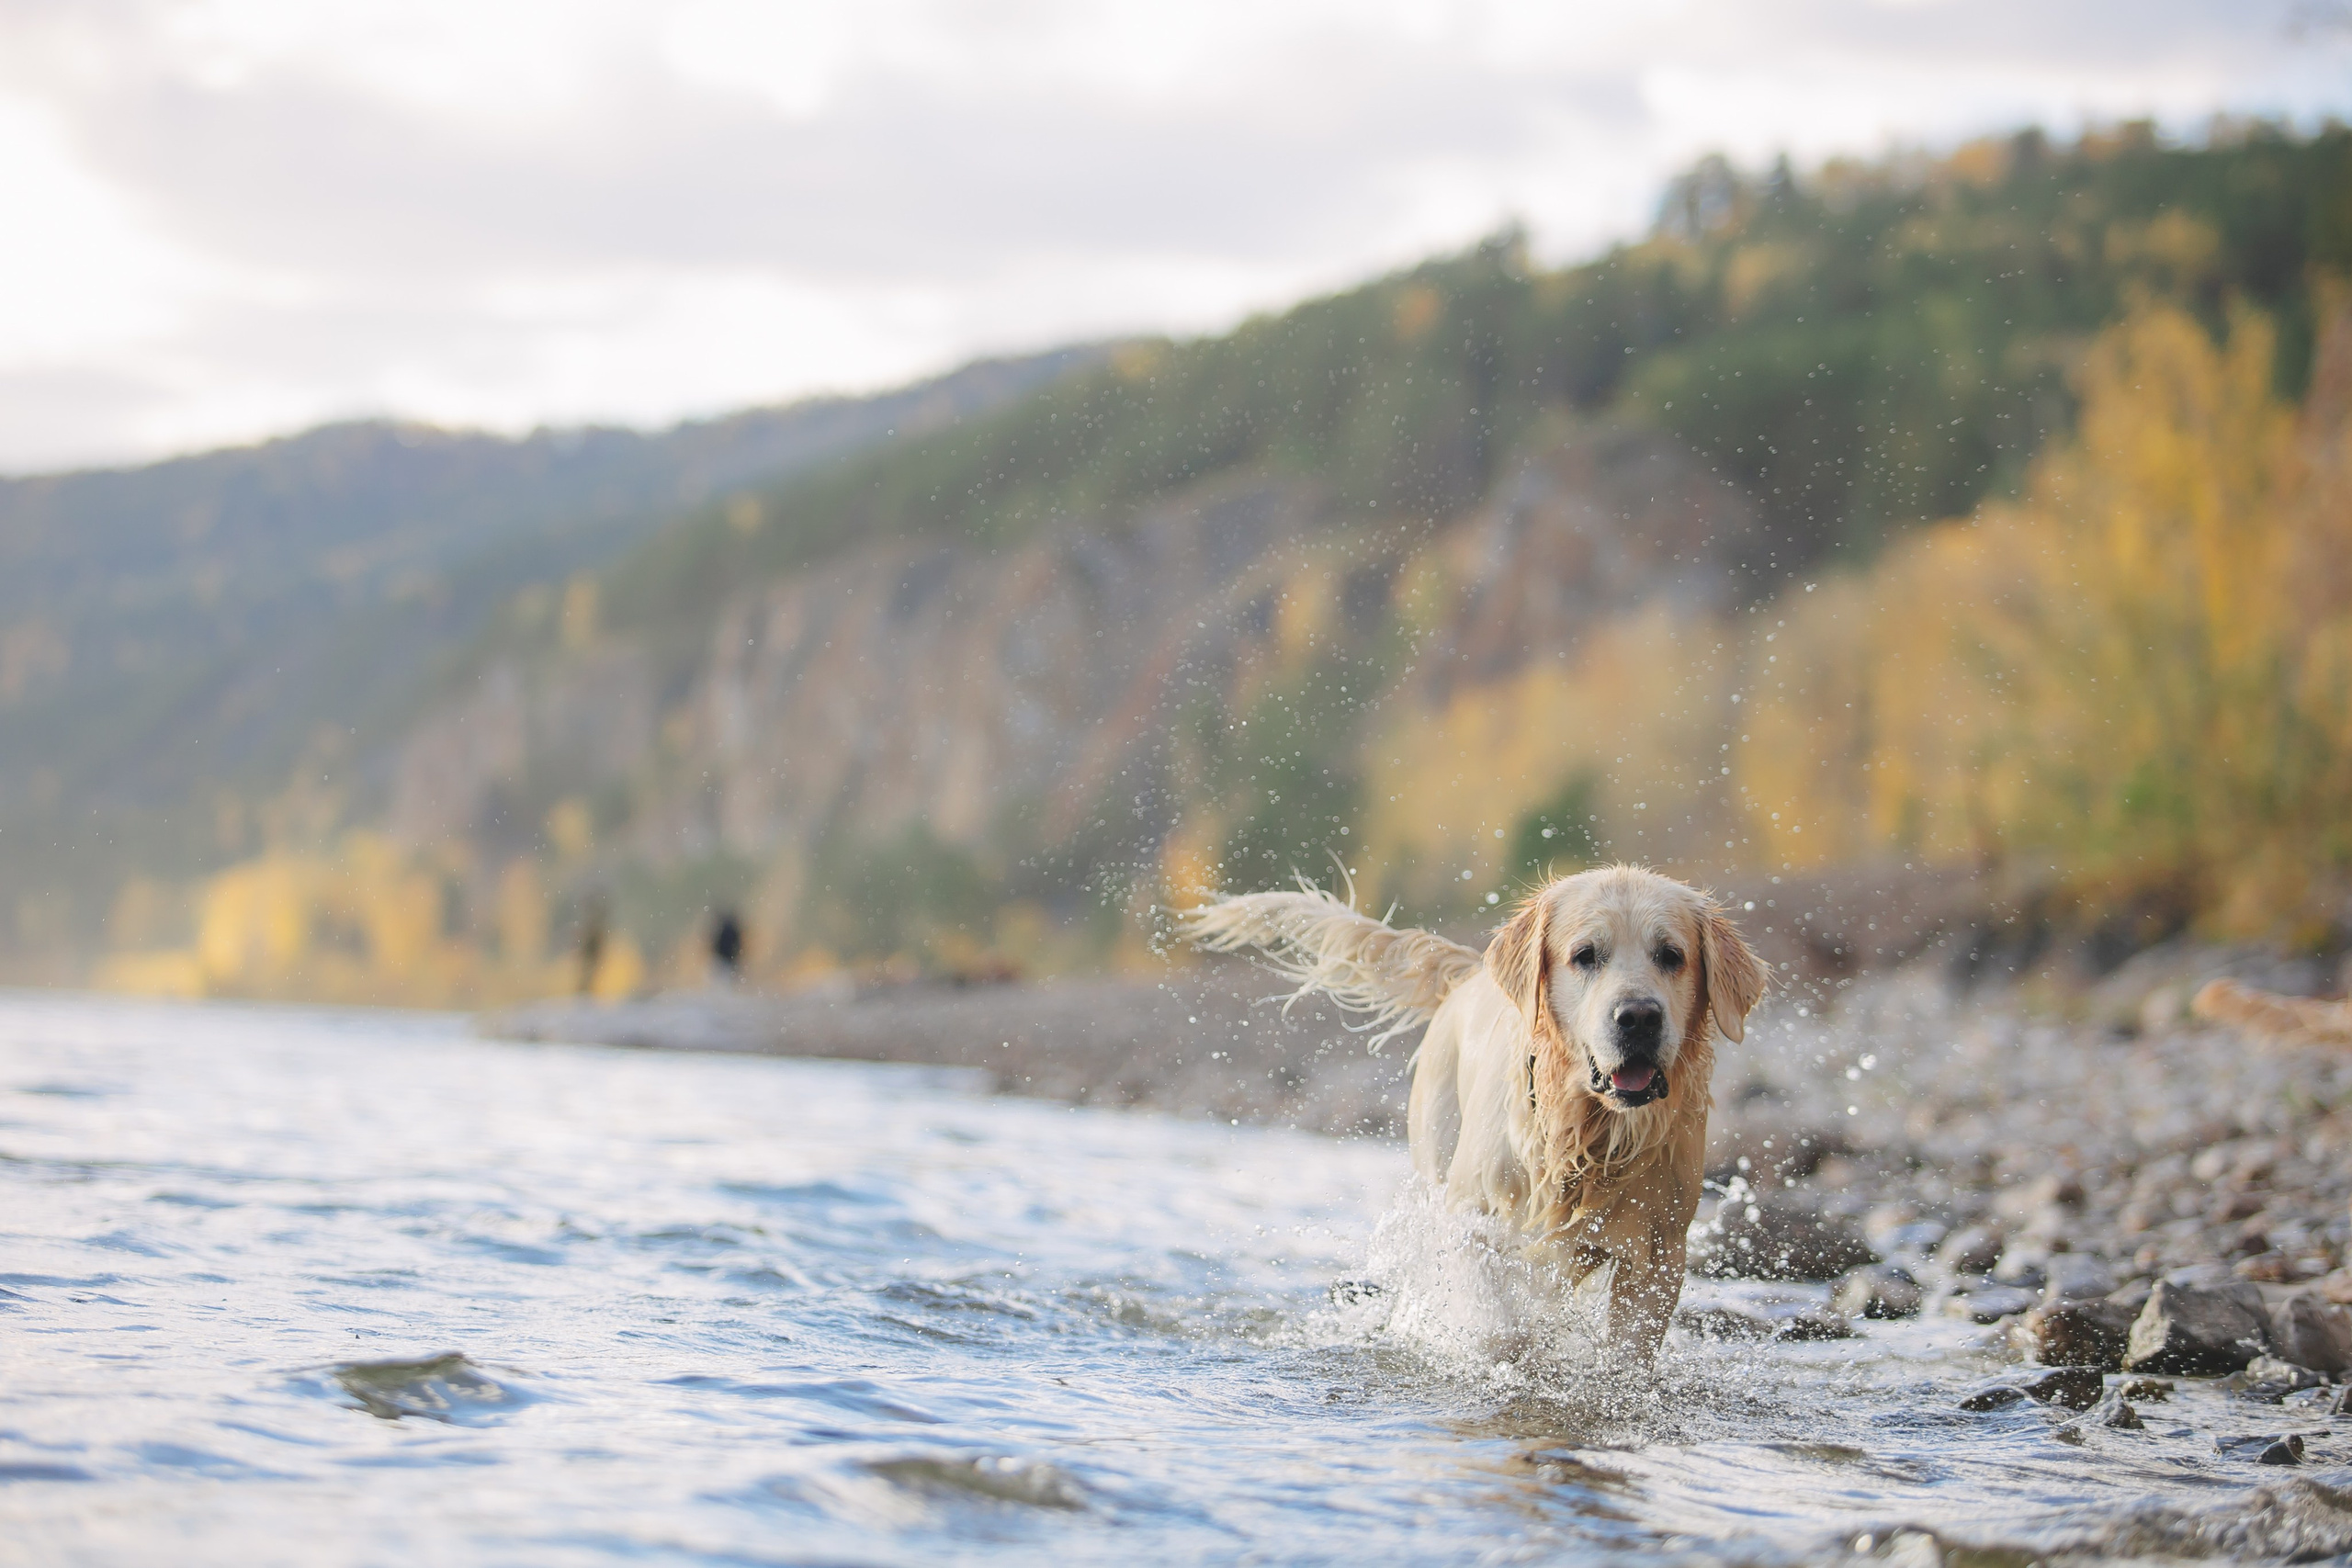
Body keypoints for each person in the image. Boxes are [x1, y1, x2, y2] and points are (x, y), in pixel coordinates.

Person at [575, 892, 609, 997]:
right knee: (588, 977)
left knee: (588, 976)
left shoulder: (593, 926)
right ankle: (586, 994)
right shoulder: (595, 924)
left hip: (591, 956)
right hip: (591, 956)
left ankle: (586, 995)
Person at [709, 907, 744, 983]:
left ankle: (720, 990)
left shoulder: (721, 929)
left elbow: (716, 943)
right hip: (729, 957)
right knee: (728, 977)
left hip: (721, 956)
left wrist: (715, 952)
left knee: (719, 977)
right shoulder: (734, 930)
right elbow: (738, 944)